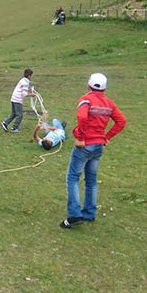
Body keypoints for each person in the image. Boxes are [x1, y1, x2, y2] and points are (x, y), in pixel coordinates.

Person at [60, 73, 126, 229]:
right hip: (98, 146)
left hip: (85, 145)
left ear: (88, 85)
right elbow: (121, 121)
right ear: (105, 88)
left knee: (73, 178)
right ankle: (89, 213)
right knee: (91, 180)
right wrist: (107, 137)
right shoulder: (109, 103)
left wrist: (81, 137)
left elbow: (82, 117)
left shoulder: (86, 99)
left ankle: (74, 215)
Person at [1, 68, 35, 133]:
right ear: (29, 76)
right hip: (18, 100)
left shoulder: (22, 80)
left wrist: (29, 91)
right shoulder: (25, 82)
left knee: (14, 113)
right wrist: (31, 95)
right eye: (31, 76)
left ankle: (5, 123)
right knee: (20, 115)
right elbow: (24, 94)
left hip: (14, 98)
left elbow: (23, 90)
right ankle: (14, 128)